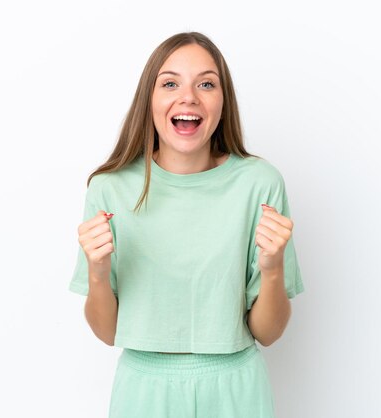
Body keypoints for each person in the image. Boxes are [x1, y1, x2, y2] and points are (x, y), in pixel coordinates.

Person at [68, 31, 304, 418]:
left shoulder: (260, 184)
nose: (189, 97)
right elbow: (109, 333)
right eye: (170, 83)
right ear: (150, 99)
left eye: (206, 84)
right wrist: (97, 271)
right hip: (143, 392)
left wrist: (273, 269)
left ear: (222, 101)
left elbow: (268, 332)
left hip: (236, 390)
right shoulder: (109, 189)